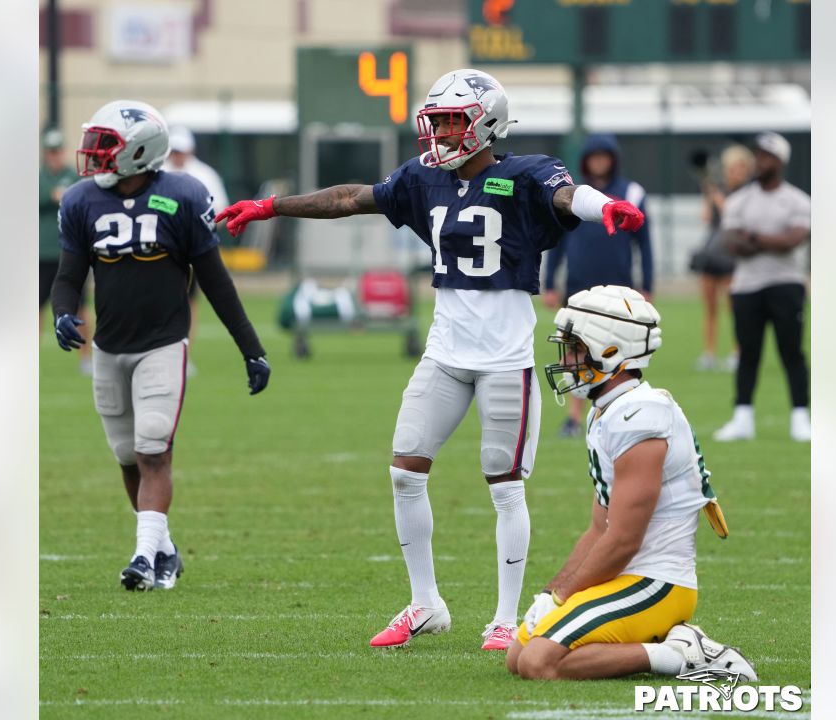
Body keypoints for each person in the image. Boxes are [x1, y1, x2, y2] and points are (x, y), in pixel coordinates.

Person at [216, 69, 645, 651]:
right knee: (404, 472)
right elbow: (349, 198)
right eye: (437, 121)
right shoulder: (423, 178)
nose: (439, 134)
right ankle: (426, 604)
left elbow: (566, 196)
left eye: (450, 122)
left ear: (486, 124)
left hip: (504, 357)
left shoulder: (525, 173)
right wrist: (271, 207)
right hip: (444, 352)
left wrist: (605, 207)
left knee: (505, 488)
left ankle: (503, 618)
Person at [50, 100, 272, 591]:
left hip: (163, 344)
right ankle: (165, 549)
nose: (93, 154)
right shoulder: (83, 201)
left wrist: (250, 347)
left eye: (104, 145)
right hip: (109, 345)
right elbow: (68, 277)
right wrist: (62, 313)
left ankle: (144, 559)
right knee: (127, 455)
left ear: (139, 150)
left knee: (153, 449)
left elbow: (215, 282)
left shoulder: (183, 196)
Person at [506, 284, 756, 681]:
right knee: (516, 656)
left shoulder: (640, 415)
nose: (566, 360)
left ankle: (683, 655)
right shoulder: (607, 412)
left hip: (657, 582)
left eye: (575, 348)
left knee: (539, 662)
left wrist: (564, 596)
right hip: (625, 576)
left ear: (610, 351)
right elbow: (598, 528)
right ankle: (658, 646)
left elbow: (623, 540)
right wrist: (549, 595)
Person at [542, 133, 652, 438]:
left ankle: (618, 411)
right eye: (594, 156)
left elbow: (645, 243)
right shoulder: (573, 195)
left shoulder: (631, 192)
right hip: (578, 285)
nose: (599, 162)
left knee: (620, 351)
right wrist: (549, 282)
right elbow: (557, 243)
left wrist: (648, 285)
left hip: (620, 287)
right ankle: (575, 418)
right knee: (575, 351)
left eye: (605, 156)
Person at [712, 132, 811, 443]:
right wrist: (770, 239)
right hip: (747, 286)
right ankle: (742, 417)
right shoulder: (739, 200)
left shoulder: (797, 200)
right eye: (758, 155)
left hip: (786, 284)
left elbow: (793, 240)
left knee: (791, 352)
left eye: (767, 156)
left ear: (780, 161)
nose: (760, 162)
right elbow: (731, 243)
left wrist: (753, 237)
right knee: (748, 353)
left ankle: (800, 416)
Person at [164, 126, 232, 378]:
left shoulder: (205, 175)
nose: (178, 156)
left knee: (188, 301)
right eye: (174, 151)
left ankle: (183, 356)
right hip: (163, 249)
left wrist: (198, 232)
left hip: (193, 249)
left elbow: (221, 211)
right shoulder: (159, 172)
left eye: (181, 151)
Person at [691, 144, 754, 373]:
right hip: (712, 253)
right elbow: (706, 218)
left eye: (739, 169)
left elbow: (733, 217)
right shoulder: (720, 190)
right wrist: (708, 196)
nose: (734, 173)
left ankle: (738, 352)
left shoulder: (749, 194)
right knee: (709, 307)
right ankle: (709, 353)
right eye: (731, 169)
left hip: (733, 256)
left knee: (734, 308)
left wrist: (717, 197)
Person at [39, 128, 92, 374]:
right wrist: (52, 196)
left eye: (57, 151)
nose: (54, 156)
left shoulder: (74, 176)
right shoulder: (38, 177)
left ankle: (86, 358)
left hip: (68, 253)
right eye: (50, 151)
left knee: (80, 307)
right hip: (40, 253)